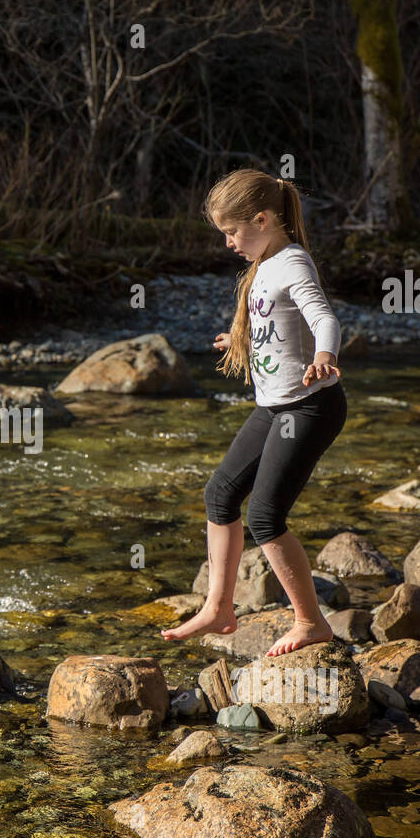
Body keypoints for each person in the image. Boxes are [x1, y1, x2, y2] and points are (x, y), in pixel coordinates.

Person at [160, 169, 347, 657]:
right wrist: (240, 338)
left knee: (265, 517)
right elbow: (275, 322)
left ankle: (311, 622)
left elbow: (323, 317)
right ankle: (219, 608)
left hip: (310, 405)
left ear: (262, 219)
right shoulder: (263, 263)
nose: (228, 243)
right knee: (220, 494)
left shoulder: (292, 262)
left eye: (232, 232)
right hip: (275, 405)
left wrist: (324, 357)